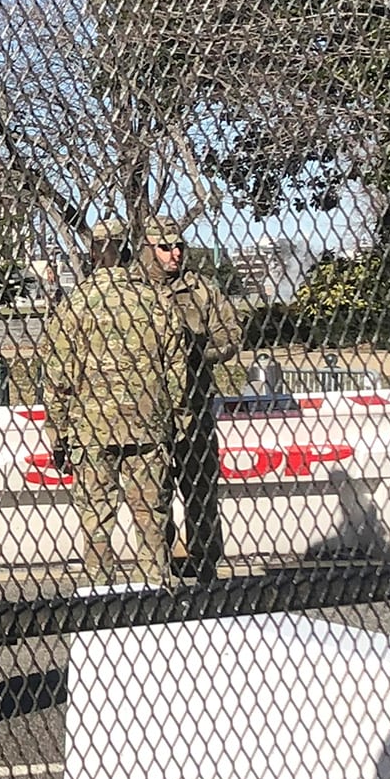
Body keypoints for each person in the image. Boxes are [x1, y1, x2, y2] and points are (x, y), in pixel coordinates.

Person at [39, 218, 181, 588]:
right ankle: (155, 592)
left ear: (91, 253)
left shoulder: (75, 305)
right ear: (129, 250)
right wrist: (177, 419)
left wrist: (57, 434)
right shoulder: (155, 301)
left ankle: (99, 594)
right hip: (148, 425)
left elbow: (57, 377)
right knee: (151, 516)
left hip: (91, 428)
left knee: (96, 520)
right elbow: (176, 369)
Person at [135, 217, 241, 580]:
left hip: (193, 406)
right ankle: (159, 568)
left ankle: (205, 564)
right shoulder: (131, 292)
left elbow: (230, 334)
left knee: (200, 488)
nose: (175, 253)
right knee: (153, 495)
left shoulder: (201, 290)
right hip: (147, 409)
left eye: (179, 246)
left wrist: (197, 352)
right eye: (165, 247)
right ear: (148, 249)